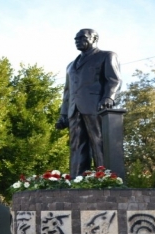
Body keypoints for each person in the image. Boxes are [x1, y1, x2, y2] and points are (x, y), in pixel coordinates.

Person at [56, 28, 122, 178]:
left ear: (94, 38)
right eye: (76, 39)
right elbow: (67, 92)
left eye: (82, 38)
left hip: (96, 106)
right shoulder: (70, 65)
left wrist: (108, 97)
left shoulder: (106, 56)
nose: (77, 41)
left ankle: (105, 178)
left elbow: (114, 79)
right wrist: (63, 114)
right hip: (74, 110)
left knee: (99, 143)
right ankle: (77, 179)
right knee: (76, 146)